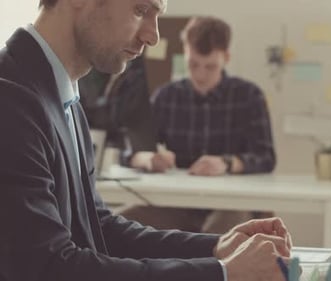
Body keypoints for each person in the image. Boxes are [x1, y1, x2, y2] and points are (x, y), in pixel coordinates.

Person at [0, 1, 292, 280]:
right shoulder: (10, 99)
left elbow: (98, 227)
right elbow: (47, 270)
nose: (152, 36)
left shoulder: (63, 99)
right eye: (140, 9)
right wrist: (224, 274)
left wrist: (216, 248)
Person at [127, 16, 276, 233]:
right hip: (177, 205)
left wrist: (226, 163)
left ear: (226, 57)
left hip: (231, 205)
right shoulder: (166, 97)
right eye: (193, 64)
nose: (200, 75)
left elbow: (266, 157)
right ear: (185, 53)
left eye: (210, 67)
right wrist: (149, 159)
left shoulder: (249, 96)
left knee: (221, 234)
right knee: (118, 225)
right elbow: (130, 150)